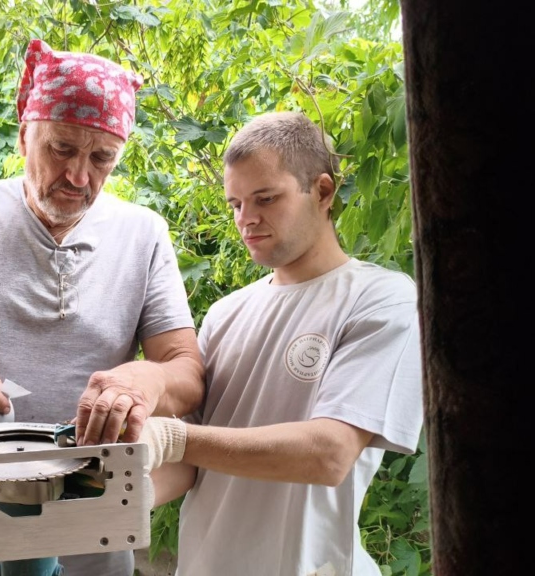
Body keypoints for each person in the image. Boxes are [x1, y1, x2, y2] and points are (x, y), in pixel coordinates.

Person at [0, 38, 204, 576]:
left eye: (101, 158)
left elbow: (186, 372)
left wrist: (147, 380)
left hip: (90, 521)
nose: (78, 176)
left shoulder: (143, 235)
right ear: (24, 133)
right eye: (61, 148)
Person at [138, 111, 424, 576]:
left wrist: (171, 437)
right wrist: (108, 489)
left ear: (323, 192)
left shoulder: (381, 299)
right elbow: (190, 464)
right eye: (235, 204)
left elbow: (330, 454)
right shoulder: (225, 314)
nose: (246, 219)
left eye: (265, 199)